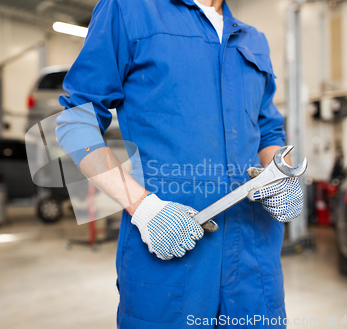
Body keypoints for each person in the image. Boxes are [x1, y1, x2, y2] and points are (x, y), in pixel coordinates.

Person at [56, 0, 304, 327]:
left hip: (254, 266)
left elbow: (268, 129)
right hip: (170, 264)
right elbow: (76, 123)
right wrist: (142, 207)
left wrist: (281, 178)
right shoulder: (129, 10)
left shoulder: (253, 39)